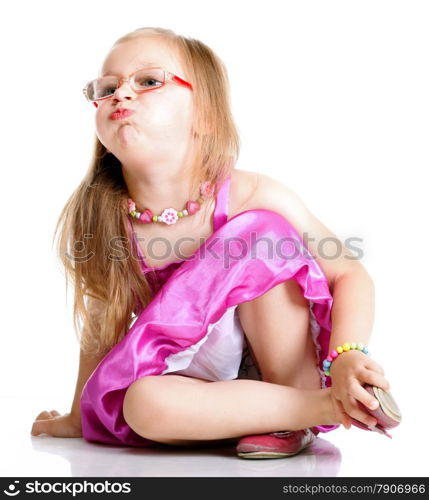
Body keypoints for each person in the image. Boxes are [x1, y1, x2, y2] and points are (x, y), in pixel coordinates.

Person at [30, 27, 401, 459]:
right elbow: (101, 323)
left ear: (204, 116)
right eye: (108, 87)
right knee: (141, 403)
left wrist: (346, 356)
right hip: (197, 383)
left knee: (263, 235)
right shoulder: (105, 220)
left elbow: (349, 273)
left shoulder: (251, 194)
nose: (120, 95)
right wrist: (77, 415)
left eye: (148, 81)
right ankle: (307, 409)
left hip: (281, 368)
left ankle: (293, 407)